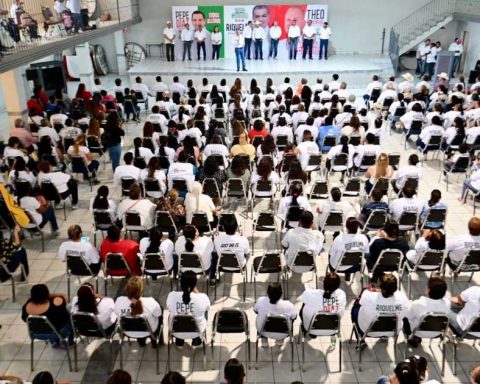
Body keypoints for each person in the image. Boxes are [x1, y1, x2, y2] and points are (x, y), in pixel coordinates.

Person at [352, 274, 408, 349]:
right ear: (395, 287)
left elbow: (360, 303)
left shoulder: (369, 295)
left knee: (355, 309)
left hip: (368, 331)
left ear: (380, 285)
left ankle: (360, 340)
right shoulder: (402, 297)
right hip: (392, 331)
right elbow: (404, 314)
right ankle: (385, 337)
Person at [166, 270, 211, 347]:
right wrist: (196, 291)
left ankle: (179, 342)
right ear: (194, 284)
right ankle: (196, 341)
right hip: (197, 331)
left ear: (181, 283)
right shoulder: (203, 297)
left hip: (176, 330)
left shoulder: (171, 295)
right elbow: (208, 308)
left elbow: (168, 308)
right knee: (204, 311)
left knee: (176, 316)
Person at [114, 276, 162, 347]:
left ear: (127, 290)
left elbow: (116, 313)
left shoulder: (119, 301)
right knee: (160, 313)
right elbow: (159, 314)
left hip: (128, 331)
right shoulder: (151, 302)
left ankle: (141, 343)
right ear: (141, 291)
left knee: (136, 322)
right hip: (150, 331)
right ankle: (155, 343)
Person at [404, 276, 449, 347]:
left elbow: (409, 317)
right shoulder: (447, 303)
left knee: (404, 317)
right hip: (437, 333)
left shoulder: (418, 303)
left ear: (428, 289)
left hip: (417, 332)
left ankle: (412, 338)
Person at [254, 282, 296, 347]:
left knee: (261, 317)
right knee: (290, 319)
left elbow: (255, 310)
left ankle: (264, 338)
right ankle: (280, 339)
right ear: (282, 292)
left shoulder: (260, 301)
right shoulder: (289, 305)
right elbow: (294, 317)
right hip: (283, 333)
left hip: (262, 330)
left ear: (267, 293)